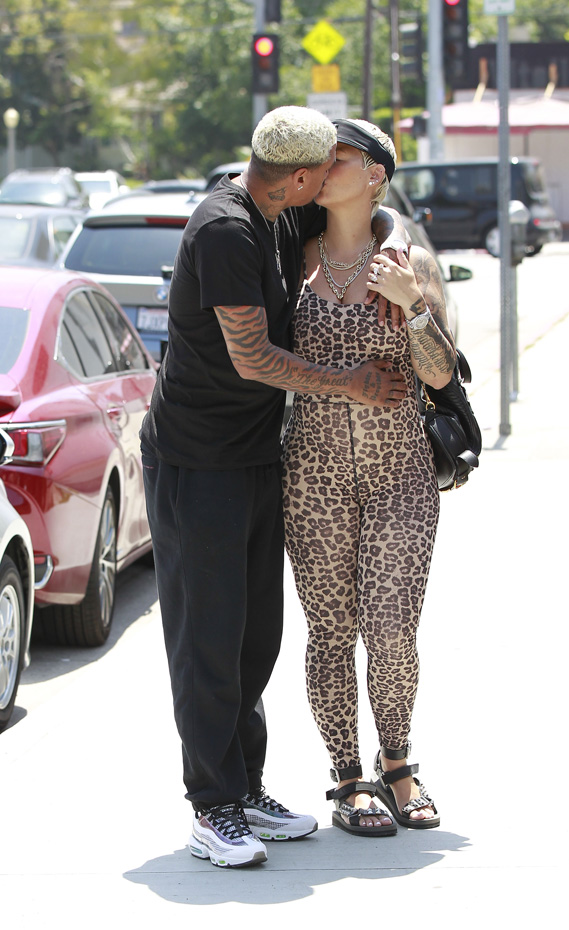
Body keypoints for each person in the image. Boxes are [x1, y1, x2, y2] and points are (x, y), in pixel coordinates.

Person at [140, 106, 410, 869]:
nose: (329, 181)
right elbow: (254, 357)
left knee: (255, 636)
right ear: (296, 177)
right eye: (322, 170)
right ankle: (211, 806)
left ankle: (246, 787)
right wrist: (351, 384)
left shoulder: (277, 213)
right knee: (207, 641)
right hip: (197, 464)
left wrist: (400, 249)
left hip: (254, 453)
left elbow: (377, 215)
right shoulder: (225, 229)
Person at [282, 118, 457, 836]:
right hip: (312, 479)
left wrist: (413, 303)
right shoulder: (293, 254)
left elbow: (443, 372)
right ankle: (348, 777)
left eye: (341, 157)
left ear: (376, 174)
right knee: (331, 632)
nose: (326, 165)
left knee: (390, 630)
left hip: (402, 476)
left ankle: (400, 764)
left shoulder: (412, 258)